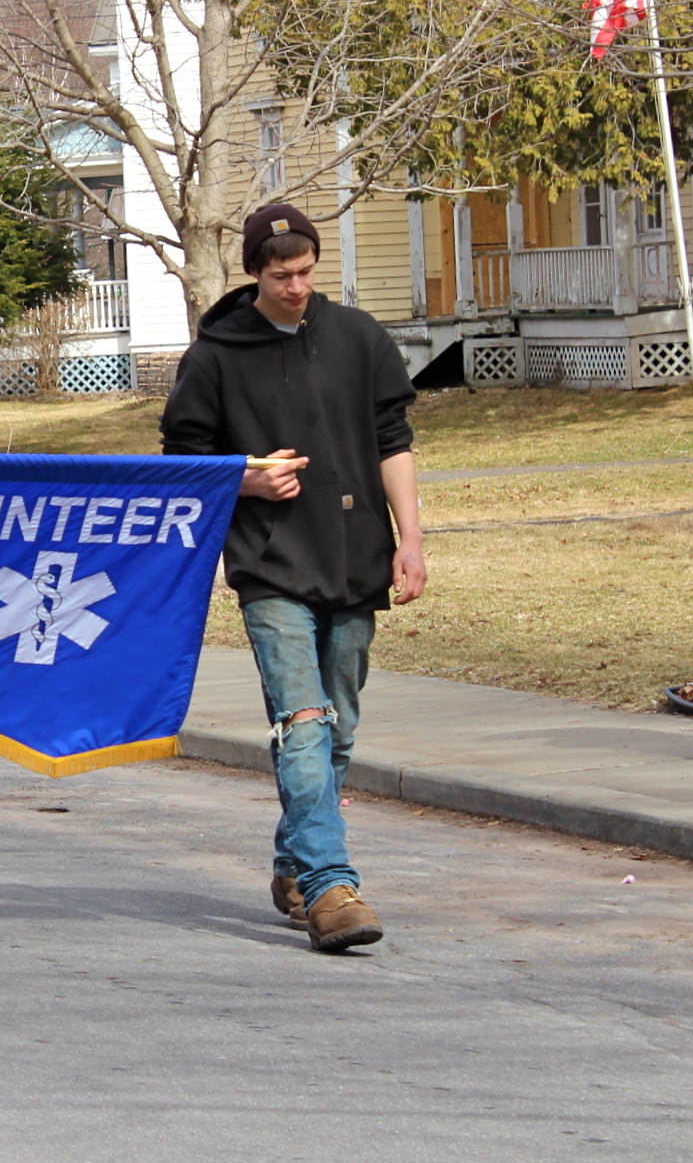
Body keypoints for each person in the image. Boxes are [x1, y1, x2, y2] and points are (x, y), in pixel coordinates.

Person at [159, 203, 422, 955]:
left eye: (306, 272)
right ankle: (331, 886)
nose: (297, 286)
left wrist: (412, 541)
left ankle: (292, 860)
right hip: (270, 563)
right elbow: (183, 461)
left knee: (337, 721)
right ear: (254, 273)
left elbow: (392, 441)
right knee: (302, 722)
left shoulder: (359, 337)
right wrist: (246, 481)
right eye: (281, 276)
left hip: (355, 554)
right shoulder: (214, 353)